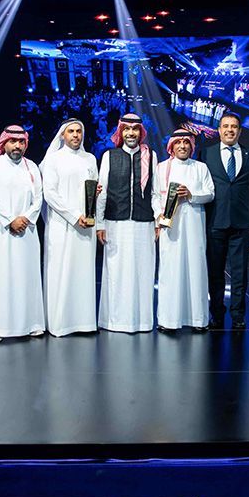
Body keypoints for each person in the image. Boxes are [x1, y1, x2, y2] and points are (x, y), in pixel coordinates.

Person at [0, 125, 45, 343]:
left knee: (27, 276)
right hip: (0, 232)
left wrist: (24, 218)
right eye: (13, 141)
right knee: (0, 278)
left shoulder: (32, 167)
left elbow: (38, 198)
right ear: (4, 143)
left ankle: (32, 323)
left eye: (21, 142)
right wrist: (10, 220)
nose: (17, 146)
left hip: (27, 231)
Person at [95, 113, 158, 333]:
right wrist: (100, 224)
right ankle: (115, 321)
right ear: (121, 132)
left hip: (144, 223)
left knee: (143, 272)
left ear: (141, 132)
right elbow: (101, 192)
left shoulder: (151, 156)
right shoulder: (109, 156)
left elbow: (155, 193)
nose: (131, 133)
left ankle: (142, 322)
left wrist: (159, 220)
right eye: (126, 129)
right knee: (117, 273)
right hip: (116, 223)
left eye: (135, 129)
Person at [200, 113, 249, 329]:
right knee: (215, 272)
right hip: (215, 221)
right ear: (218, 130)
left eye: (234, 126)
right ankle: (216, 313)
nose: (229, 130)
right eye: (225, 126)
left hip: (241, 222)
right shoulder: (206, 154)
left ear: (239, 131)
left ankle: (238, 316)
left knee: (240, 272)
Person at [40, 119, 100, 337]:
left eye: (79, 131)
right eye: (71, 131)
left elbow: (93, 191)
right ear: (62, 135)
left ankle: (84, 322)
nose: (76, 135)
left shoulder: (90, 159)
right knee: (60, 271)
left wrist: (93, 204)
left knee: (83, 272)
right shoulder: (53, 160)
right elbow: (50, 194)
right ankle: (59, 323)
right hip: (61, 225)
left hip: (86, 226)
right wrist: (74, 216)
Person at [153, 129, 215, 332]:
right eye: (178, 143)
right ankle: (168, 320)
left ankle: (198, 319)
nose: (182, 146)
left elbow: (210, 194)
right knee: (170, 270)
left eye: (186, 143)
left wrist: (191, 194)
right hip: (169, 229)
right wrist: (157, 216)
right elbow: (155, 196)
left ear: (191, 146)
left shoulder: (200, 167)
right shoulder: (161, 168)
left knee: (196, 268)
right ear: (171, 146)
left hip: (194, 225)